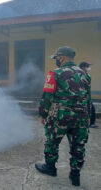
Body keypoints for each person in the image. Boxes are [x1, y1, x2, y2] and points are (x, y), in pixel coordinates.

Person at [35, 46, 90, 186]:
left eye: (56, 58)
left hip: (60, 117)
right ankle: (75, 175)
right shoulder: (85, 74)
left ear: (62, 58)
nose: (56, 61)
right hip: (81, 118)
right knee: (78, 146)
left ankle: (50, 168)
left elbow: (47, 96)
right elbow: (87, 99)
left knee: (52, 142)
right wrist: (87, 116)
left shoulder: (55, 73)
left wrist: (43, 114)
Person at [79, 62, 99, 128]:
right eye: (87, 67)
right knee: (90, 109)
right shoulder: (81, 74)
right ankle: (90, 123)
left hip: (85, 96)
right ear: (83, 67)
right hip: (82, 96)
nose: (88, 68)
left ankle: (90, 123)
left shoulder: (84, 74)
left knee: (90, 109)